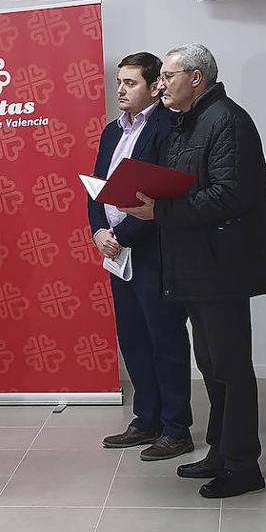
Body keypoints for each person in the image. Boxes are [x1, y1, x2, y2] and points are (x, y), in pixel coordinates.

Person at [121, 43, 266, 498]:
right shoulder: (188, 121)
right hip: (196, 265)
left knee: (231, 366)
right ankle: (220, 452)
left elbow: (229, 196)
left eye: (168, 77)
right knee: (212, 365)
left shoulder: (226, 121)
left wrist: (161, 212)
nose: (160, 85)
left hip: (222, 267)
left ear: (197, 78)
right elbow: (187, 185)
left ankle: (243, 466)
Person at [89, 53, 193, 461]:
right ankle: (145, 419)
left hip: (153, 250)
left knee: (165, 338)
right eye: (119, 82)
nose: (120, 90)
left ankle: (175, 427)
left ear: (154, 87)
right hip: (117, 251)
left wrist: (124, 235)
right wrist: (99, 230)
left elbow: (163, 192)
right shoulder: (111, 132)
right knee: (132, 337)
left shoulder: (168, 126)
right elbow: (96, 186)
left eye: (130, 83)